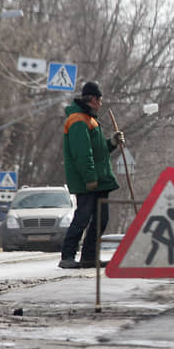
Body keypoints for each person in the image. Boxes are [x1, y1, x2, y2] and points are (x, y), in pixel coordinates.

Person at [59, 81, 123, 269]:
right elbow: (82, 153)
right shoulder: (78, 120)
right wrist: (90, 178)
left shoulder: (89, 119)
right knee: (83, 217)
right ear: (93, 100)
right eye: (100, 100)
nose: (101, 104)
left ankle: (88, 257)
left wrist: (111, 142)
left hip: (99, 180)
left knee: (101, 219)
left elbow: (98, 151)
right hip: (88, 181)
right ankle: (67, 255)